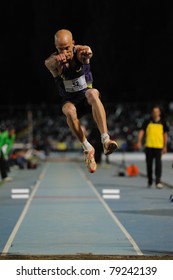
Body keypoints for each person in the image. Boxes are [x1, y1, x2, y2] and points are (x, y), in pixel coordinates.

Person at [45, 29, 118, 173]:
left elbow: (86, 51)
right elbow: (48, 62)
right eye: (60, 49)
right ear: (56, 48)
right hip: (71, 101)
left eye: (67, 48)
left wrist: (87, 53)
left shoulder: (79, 52)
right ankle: (87, 148)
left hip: (86, 97)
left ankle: (105, 139)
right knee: (68, 110)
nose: (64, 52)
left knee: (93, 92)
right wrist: (57, 60)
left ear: (73, 43)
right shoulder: (55, 62)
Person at [136, 105, 169, 189]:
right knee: (149, 165)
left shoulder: (163, 122)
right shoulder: (147, 121)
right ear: (152, 113)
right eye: (154, 112)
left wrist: (165, 146)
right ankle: (150, 180)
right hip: (149, 146)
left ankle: (158, 181)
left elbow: (165, 134)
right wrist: (139, 141)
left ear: (159, 113)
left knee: (158, 164)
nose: (155, 113)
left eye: (157, 112)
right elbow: (142, 131)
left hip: (158, 146)